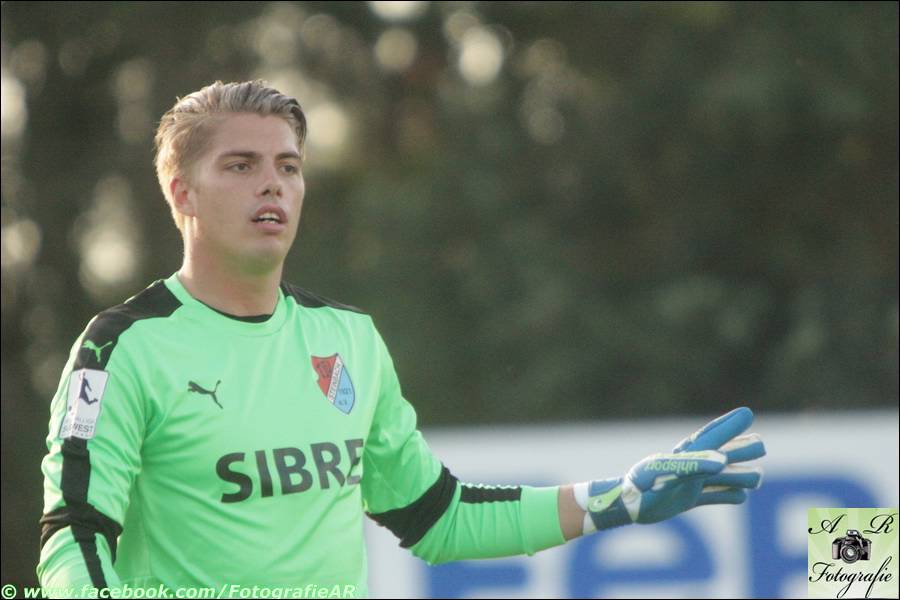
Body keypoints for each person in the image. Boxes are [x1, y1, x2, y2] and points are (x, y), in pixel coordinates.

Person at [37, 80, 766, 598]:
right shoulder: (121, 349)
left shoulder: (347, 339)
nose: (274, 185)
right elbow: (73, 536)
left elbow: (439, 518)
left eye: (288, 166)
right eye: (241, 165)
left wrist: (616, 500)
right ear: (181, 192)